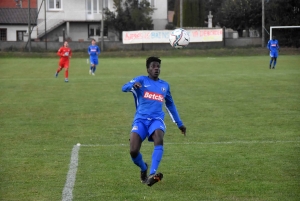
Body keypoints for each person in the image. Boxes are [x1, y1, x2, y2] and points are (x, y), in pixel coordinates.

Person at [121, 56, 187, 187]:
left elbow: (170, 105)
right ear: (148, 69)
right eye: (153, 66)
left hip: (156, 120)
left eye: (158, 66)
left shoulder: (164, 85)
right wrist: (132, 85)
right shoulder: (141, 80)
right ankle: (144, 168)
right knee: (133, 151)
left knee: (158, 137)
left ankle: (152, 173)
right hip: (140, 120)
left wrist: (179, 124)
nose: (156, 68)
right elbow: (124, 87)